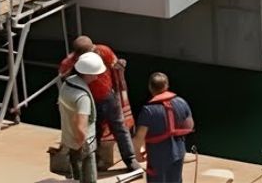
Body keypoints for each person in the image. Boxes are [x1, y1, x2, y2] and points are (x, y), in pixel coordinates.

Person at [58, 36, 139, 172]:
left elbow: (115, 65)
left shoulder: (102, 51)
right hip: (88, 101)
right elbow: (64, 75)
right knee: (93, 132)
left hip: (108, 97)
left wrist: (120, 65)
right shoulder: (70, 62)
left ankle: (130, 159)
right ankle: (94, 161)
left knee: (119, 127)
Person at [135, 73, 194, 183]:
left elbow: (139, 137)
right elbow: (190, 126)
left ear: (150, 87)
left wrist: (138, 155)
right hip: (179, 151)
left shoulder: (148, 110)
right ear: (167, 85)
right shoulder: (182, 102)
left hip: (157, 155)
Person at [58, 51, 105, 183]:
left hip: (69, 140)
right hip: (83, 146)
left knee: (75, 178)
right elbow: (81, 126)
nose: (97, 76)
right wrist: (81, 145)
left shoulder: (67, 84)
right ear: (88, 74)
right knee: (88, 179)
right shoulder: (83, 97)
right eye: (96, 73)